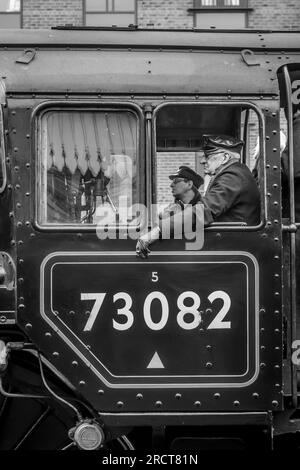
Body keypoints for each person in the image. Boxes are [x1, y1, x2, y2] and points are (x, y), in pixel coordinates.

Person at [136, 166, 203, 258]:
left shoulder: (201, 209)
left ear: (189, 184)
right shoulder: (173, 208)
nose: (171, 185)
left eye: (176, 181)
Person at [200, 135, 260, 226]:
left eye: (207, 156)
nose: (202, 161)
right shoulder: (235, 172)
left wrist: (170, 225)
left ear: (225, 157)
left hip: (234, 238)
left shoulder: (232, 177)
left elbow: (205, 210)